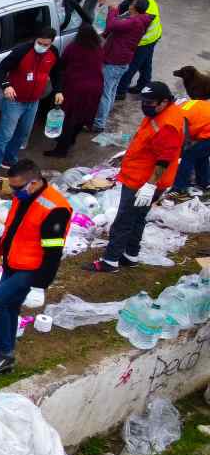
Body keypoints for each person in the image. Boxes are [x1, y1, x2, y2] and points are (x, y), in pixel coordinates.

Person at [0, 159, 71, 375]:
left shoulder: (56, 209)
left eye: (18, 188)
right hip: (13, 261)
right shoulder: (24, 196)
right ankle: (7, 353)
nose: (14, 192)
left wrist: (40, 285)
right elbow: (13, 227)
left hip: (31, 270)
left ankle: (3, 354)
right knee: (9, 306)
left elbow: (53, 251)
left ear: (35, 183)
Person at [92, 82, 185, 272]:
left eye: (150, 102)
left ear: (164, 102)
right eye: (143, 101)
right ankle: (130, 255)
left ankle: (110, 261)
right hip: (142, 177)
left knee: (124, 220)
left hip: (142, 182)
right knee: (137, 218)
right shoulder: (162, 113)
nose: (145, 105)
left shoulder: (168, 125)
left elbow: (164, 160)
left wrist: (150, 185)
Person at [0, 26, 63, 181]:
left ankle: (9, 160)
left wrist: (58, 90)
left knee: (23, 134)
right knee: (4, 136)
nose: (43, 47)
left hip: (33, 101)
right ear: (35, 39)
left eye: (46, 44)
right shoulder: (21, 51)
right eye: (40, 43)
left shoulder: (53, 52)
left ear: (51, 42)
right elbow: (1, 70)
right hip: (14, 101)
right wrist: (6, 86)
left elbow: (56, 73)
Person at [44, 25, 104, 158]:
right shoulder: (98, 48)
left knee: (68, 119)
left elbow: (62, 64)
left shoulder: (73, 48)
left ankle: (61, 150)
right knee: (82, 116)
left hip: (75, 88)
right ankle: (71, 140)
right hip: (95, 87)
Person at [94, 0, 151, 132]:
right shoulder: (141, 20)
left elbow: (112, 25)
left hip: (114, 61)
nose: (130, 5)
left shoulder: (134, 22)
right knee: (111, 91)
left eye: (132, 3)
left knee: (105, 93)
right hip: (122, 61)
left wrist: (113, 10)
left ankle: (99, 123)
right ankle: (103, 118)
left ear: (134, 8)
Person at [120, 0, 162, 95]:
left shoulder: (146, 14)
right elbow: (125, 4)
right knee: (145, 63)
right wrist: (117, 10)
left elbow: (134, 31)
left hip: (144, 42)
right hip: (153, 37)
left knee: (131, 66)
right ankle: (143, 85)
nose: (129, 2)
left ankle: (120, 91)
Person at [171, 97, 210, 194]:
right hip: (206, 132)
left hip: (207, 135)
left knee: (188, 156)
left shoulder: (180, 112)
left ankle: (178, 188)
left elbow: (184, 137)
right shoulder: (191, 103)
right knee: (202, 156)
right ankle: (204, 182)